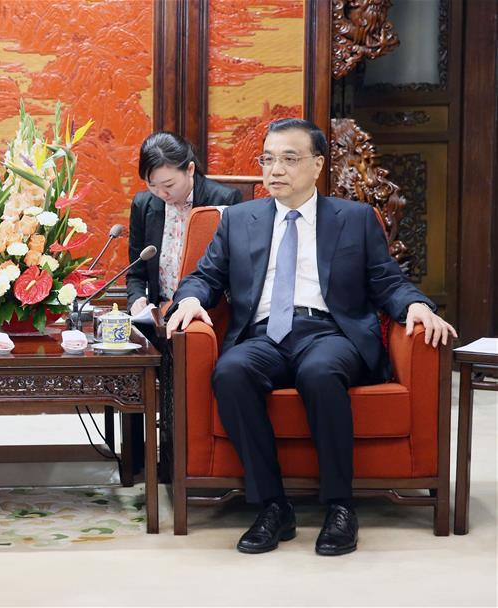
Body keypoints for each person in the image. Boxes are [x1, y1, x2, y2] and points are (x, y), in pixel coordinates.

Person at [166, 118, 456, 556]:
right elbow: (205, 277)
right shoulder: (238, 220)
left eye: (289, 158)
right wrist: (189, 300)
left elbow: (387, 281)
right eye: (268, 159)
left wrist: (415, 306)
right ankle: (272, 506)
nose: (275, 169)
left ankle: (340, 506)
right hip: (263, 333)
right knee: (231, 372)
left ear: (317, 164)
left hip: (329, 331)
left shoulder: (354, 219)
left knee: (321, 373)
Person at [126, 131, 242, 315]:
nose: (161, 194)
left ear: (190, 169)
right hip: (159, 315)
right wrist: (137, 298)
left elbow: (233, 272)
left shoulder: (223, 200)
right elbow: (136, 272)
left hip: (204, 313)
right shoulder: (143, 205)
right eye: (152, 185)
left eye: (169, 185)